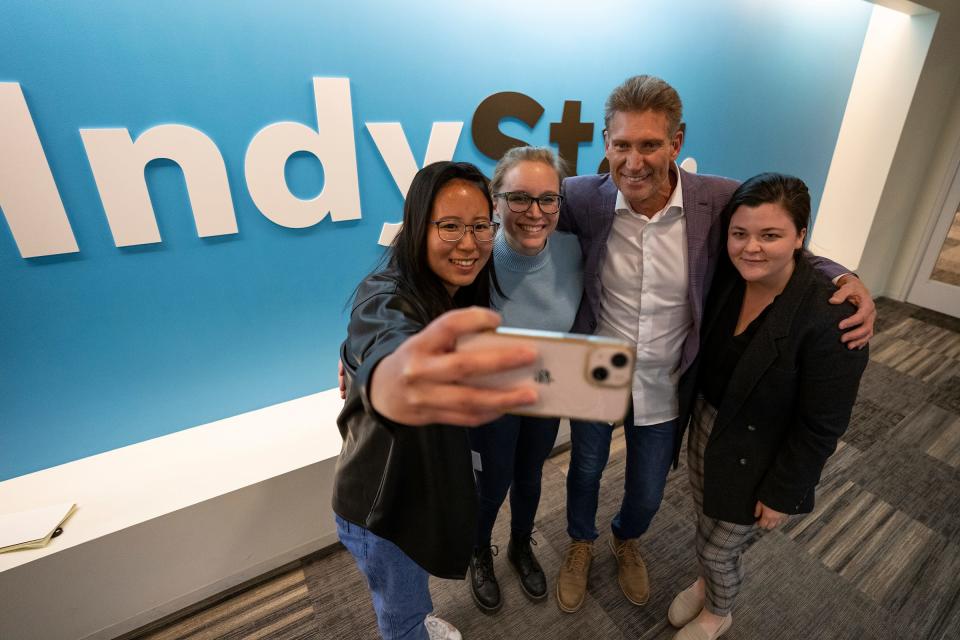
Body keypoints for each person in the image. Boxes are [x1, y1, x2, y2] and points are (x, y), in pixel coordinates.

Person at [554, 75, 876, 613]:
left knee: (649, 489)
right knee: (584, 469)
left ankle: (626, 537)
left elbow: (778, 236)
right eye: (622, 145)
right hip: (593, 365)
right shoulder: (579, 197)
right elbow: (520, 227)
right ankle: (579, 543)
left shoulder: (719, 199)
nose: (634, 161)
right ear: (606, 144)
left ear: (676, 143)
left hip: (667, 373)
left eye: (650, 144)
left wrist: (846, 276)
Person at [333, 161, 539, 640]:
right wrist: (389, 378)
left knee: (412, 597)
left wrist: (348, 353)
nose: (469, 244)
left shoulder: (455, 293)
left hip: (416, 494)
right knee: (401, 616)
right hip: (385, 511)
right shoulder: (387, 293)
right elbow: (386, 338)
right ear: (416, 227)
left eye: (479, 227)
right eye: (449, 226)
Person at [667, 173, 868, 640]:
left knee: (720, 549)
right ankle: (706, 584)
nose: (751, 248)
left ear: (801, 236)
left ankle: (719, 613)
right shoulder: (729, 278)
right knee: (705, 519)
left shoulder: (834, 315)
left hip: (764, 451)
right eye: (740, 234)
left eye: (770, 235)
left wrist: (783, 493)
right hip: (708, 426)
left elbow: (822, 426)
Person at [466, 146, 583, 612]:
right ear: (494, 201)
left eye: (547, 199)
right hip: (489, 399)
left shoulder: (575, 250)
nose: (534, 213)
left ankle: (519, 546)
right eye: (518, 198)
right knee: (491, 483)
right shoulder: (471, 258)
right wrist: (352, 351)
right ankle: (479, 551)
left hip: (547, 388)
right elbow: (398, 292)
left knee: (530, 477)